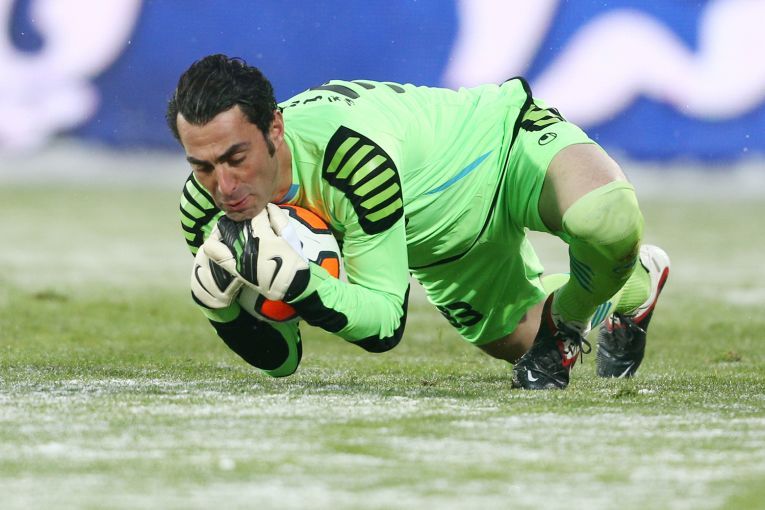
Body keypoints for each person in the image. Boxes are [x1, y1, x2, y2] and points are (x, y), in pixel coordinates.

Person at [167, 54, 670, 389]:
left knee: (605, 218)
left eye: (236, 158)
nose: (224, 185)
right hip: (441, 252)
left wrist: (302, 285)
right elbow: (282, 360)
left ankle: (566, 326)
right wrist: (223, 313)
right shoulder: (202, 212)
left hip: (502, 146)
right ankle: (634, 286)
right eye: (203, 166)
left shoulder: (351, 157)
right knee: (521, 338)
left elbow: (385, 322)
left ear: (274, 128)